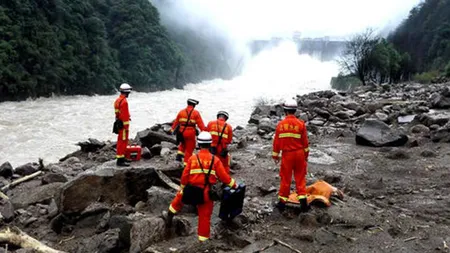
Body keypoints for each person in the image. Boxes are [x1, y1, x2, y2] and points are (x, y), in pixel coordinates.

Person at [163, 132, 239, 242]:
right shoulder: (215, 160)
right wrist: (234, 185)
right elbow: (224, 177)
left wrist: (182, 187)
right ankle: (202, 240)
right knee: (204, 217)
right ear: (210, 144)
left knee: (179, 198)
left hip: (191, 189)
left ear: (199, 144)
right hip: (205, 193)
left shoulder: (192, 158)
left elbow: (185, 175)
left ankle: (170, 213)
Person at [272, 98, 310, 213]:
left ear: (285, 110)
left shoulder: (280, 125)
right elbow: (305, 143)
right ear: (295, 111)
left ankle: (282, 204)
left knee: (285, 178)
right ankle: (303, 204)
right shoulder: (301, 124)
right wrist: (306, 156)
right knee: (300, 178)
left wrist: (275, 156)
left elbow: (276, 142)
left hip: (287, 155)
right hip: (299, 154)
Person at [170, 99, 206, 167]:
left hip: (181, 131)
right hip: (190, 132)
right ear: (193, 105)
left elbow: (176, 122)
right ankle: (186, 165)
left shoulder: (181, 112)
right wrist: (205, 131)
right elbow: (200, 124)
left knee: (183, 143)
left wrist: (172, 129)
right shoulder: (196, 113)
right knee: (190, 148)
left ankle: (178, 157)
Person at [114, 83, 132, 166]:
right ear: (127, 92)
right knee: (123, 142)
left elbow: (117, 114)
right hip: (123, 126)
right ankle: (120, 160)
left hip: (119, 123)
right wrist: (126, 126)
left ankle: (121, 158)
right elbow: (124, 116)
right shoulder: (124, 102)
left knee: (120, 141)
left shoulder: (117, 100)